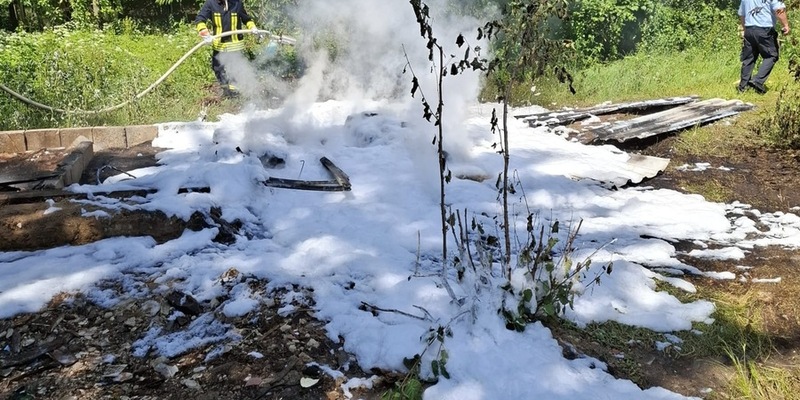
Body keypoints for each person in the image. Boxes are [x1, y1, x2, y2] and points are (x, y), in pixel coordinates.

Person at [194, 0, 260, 98]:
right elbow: (200, 19)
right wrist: (205, 33)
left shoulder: (237, 3)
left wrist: (253, 27)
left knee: (235, 69)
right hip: (219, 46)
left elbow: (247, 19)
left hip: (235, 46)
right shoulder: (211, 3)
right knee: (218, 69)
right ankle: (225, 90)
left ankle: (235, 94)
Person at [738, 0, 791, 94]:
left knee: (749, 58)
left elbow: (742, 14)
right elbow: (779, 10)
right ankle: (757, 80)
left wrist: (745, 29)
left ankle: (743, 87)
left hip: (749, 29)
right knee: (771, 55)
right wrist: (785, 25)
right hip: (765, 30)